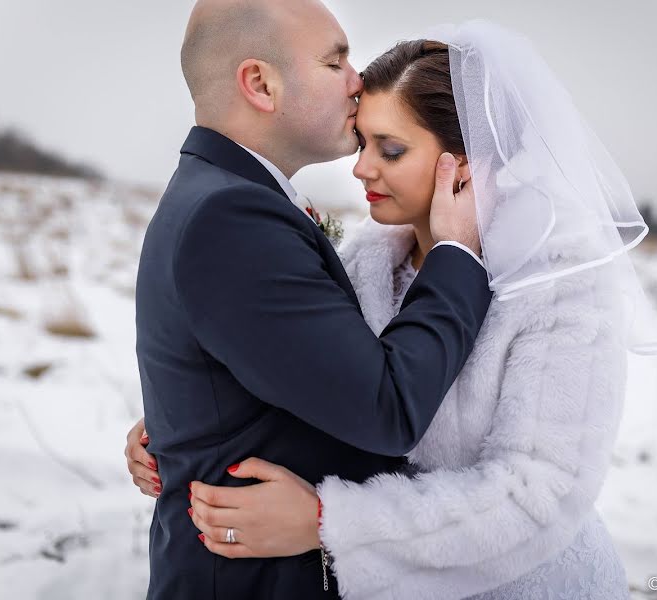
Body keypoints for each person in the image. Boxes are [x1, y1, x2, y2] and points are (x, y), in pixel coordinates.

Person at [129, 20, 657, 599]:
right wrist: (191, 423)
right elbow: (320, 377)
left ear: (464, 162)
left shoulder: (559, 283)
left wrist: (331, 523)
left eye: (390, 149)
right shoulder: (367, 263)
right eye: (363, 143)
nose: (361, 168)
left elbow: (540, 496)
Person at [130, 0, 495, 597]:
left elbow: (266, 359)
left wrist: (191, 417)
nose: (358, 80)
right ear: (260, 84)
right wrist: (456, 253)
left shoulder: (223, 195)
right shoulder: (233, 217)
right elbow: (388, 407)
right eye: (336, 61)